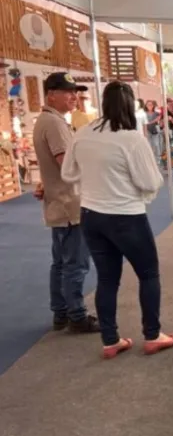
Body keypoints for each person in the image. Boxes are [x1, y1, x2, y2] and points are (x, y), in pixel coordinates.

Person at [61, 81, 173, 359]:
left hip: (91, 215)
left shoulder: (83, 133)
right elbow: (150, 181)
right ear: (130, 106)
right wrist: (138, 192)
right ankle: (152, 334)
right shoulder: (131, 138)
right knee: (148, 274)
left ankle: (110, 340)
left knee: (107, 278)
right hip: (126, 215)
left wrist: (92, 181)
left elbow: (68, 173)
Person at [32, 72, 99, 333]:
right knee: (75, 264)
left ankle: (61, 312)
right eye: (68, 91)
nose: (74, 97)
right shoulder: (55, 124)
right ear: (51, 94)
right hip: (69, 204)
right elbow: (67, 166)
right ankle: (76, 315)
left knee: (60, 262)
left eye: (75, 91)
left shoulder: (48, 120)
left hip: (59, 202)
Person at [144, 100, 163, 167]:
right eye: (148, 105)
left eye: (151, 105)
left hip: (155, 130)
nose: (149, 106)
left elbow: (158, 119)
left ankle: (158, 158)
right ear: (146, 106)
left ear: (153, 105)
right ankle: (151, 159)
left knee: (156, 144)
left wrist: (149, 123)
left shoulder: (156, 113)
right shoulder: (144, 113)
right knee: (149, 145)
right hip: (147, 131)